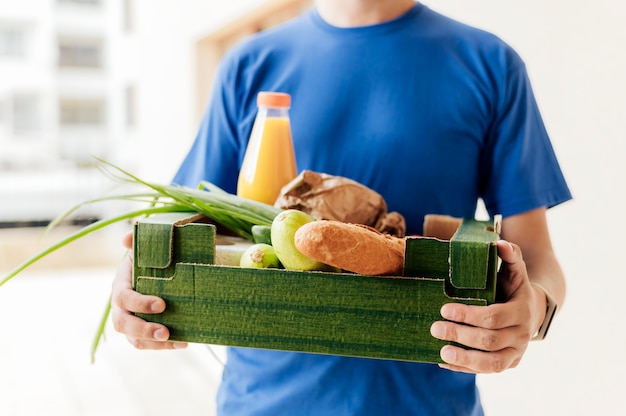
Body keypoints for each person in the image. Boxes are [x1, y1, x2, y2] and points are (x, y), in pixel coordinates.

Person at [111, 0, 572, 414]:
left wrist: (533, 310)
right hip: (262, 403)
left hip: (427, 404)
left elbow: (535, 257)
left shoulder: (489, 64)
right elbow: (189, 221)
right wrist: (137, 280)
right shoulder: (249, 65)